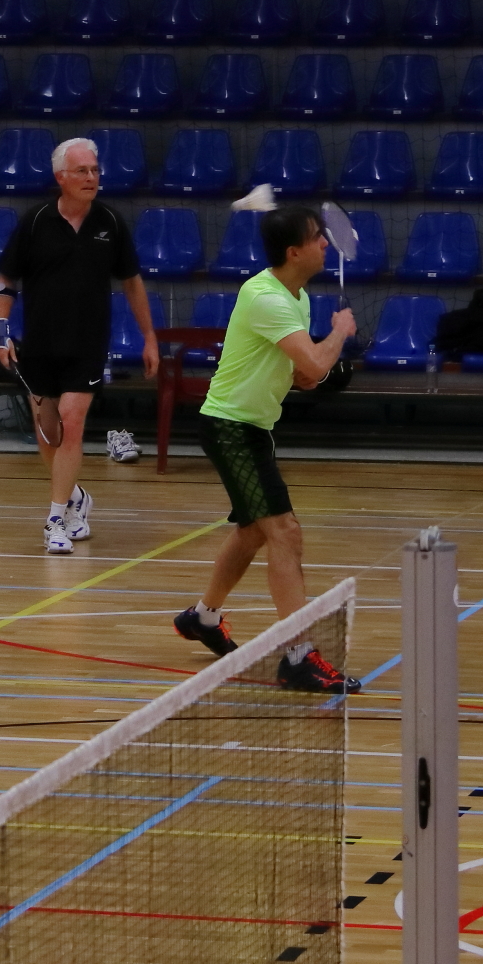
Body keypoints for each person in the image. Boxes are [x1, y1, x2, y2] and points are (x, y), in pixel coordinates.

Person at [173, 205, 362, 694]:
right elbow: (315, 364)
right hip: (231, 428)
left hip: (252, 427)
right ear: (294, 252)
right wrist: (339, 333)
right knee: (284, 531)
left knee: (253, 532)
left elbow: (302, 372)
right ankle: (298, 656)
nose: (326, 243)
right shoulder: (265, 297)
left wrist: (313, 369)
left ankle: (203, 618)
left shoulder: (298, 298)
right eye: (317, 237)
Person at [0, 137, 159, 555]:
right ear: (60, 177)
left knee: (71, 419)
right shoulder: (35, 222)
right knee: (47, 433)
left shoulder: (111, 223)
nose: (91, 177)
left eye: (95, 170)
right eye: (82, 171)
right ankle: (75, 497)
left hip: (88, 344)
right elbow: (4, 280)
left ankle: (54, 520)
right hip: (39, 344)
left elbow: (132, 283)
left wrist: (149, 337)